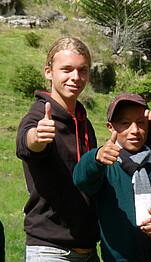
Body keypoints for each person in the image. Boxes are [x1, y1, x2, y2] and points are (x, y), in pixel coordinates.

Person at [73, 93, 151, 262]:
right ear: (110, 127)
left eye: (140, 123)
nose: (134, 130)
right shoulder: (105, 169)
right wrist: (96, 157)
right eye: (125, 123)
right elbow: (80, 178)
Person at [16, 37, 100, 261]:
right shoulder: (38, 116)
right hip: (50, 250)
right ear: (48, 72)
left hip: (89, 249)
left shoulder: (84, 122)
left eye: (82, 70)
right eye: (67, 69)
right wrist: (37, 137)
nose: (76, 77)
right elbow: (27, 144)